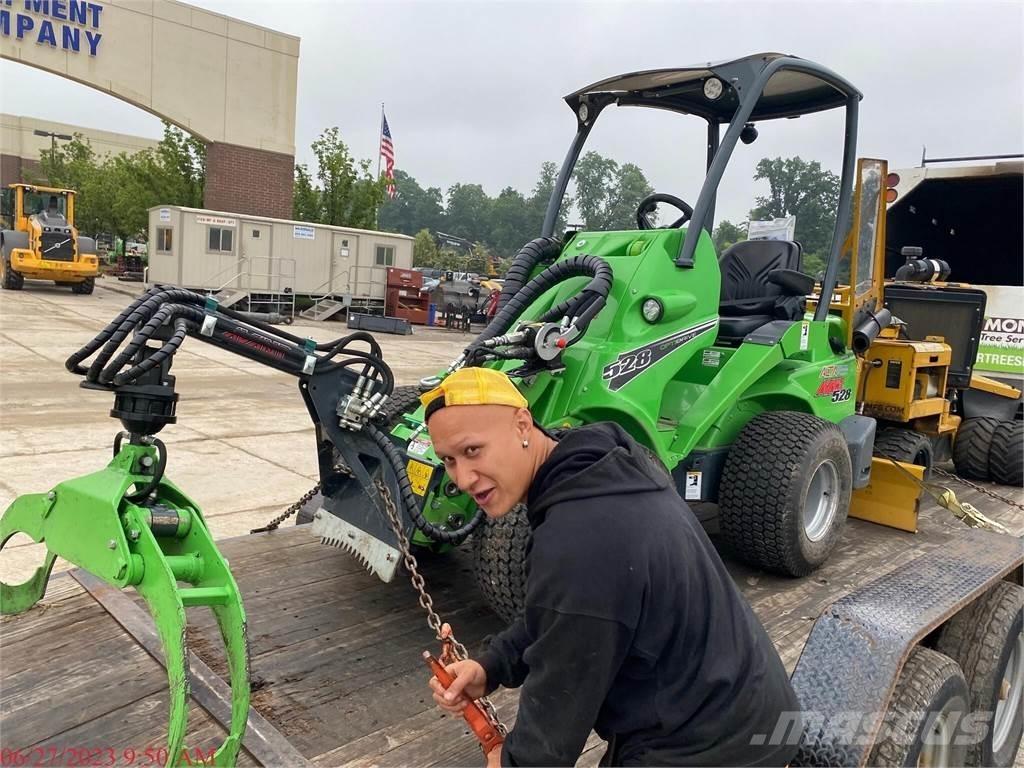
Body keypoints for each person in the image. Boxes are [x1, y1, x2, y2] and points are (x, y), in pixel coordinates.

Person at [422, 367, 802, 767]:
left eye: (472, 450)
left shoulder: (580, 535)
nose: (463, 478)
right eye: (448, 460)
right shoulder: (600, 471)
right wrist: (491, 666)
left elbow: (557, 713)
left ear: (522, 424)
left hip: (714, 746)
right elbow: (562, 613)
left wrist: (511, 762)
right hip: (755, 712)